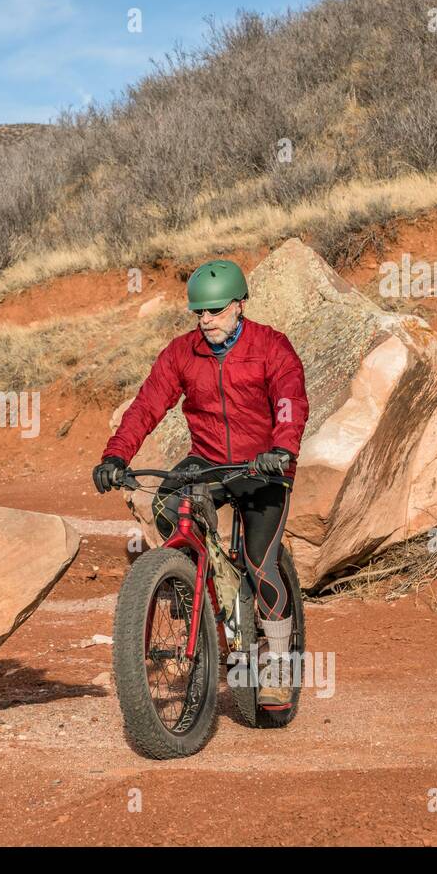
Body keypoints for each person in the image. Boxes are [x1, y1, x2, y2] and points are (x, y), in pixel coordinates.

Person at [92, 259, 309, 705]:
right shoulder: (181, 353)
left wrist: (282, 450)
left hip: (262, 465)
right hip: (208, 460)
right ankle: (189, 582)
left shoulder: (271, 346)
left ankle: (279, 666)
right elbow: (147, 406)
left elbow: (289, 400)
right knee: (166, 502)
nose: (205, 319)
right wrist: (116, 455)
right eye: (199, 312)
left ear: (239, 305)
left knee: (259, 562)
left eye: (214, 310)